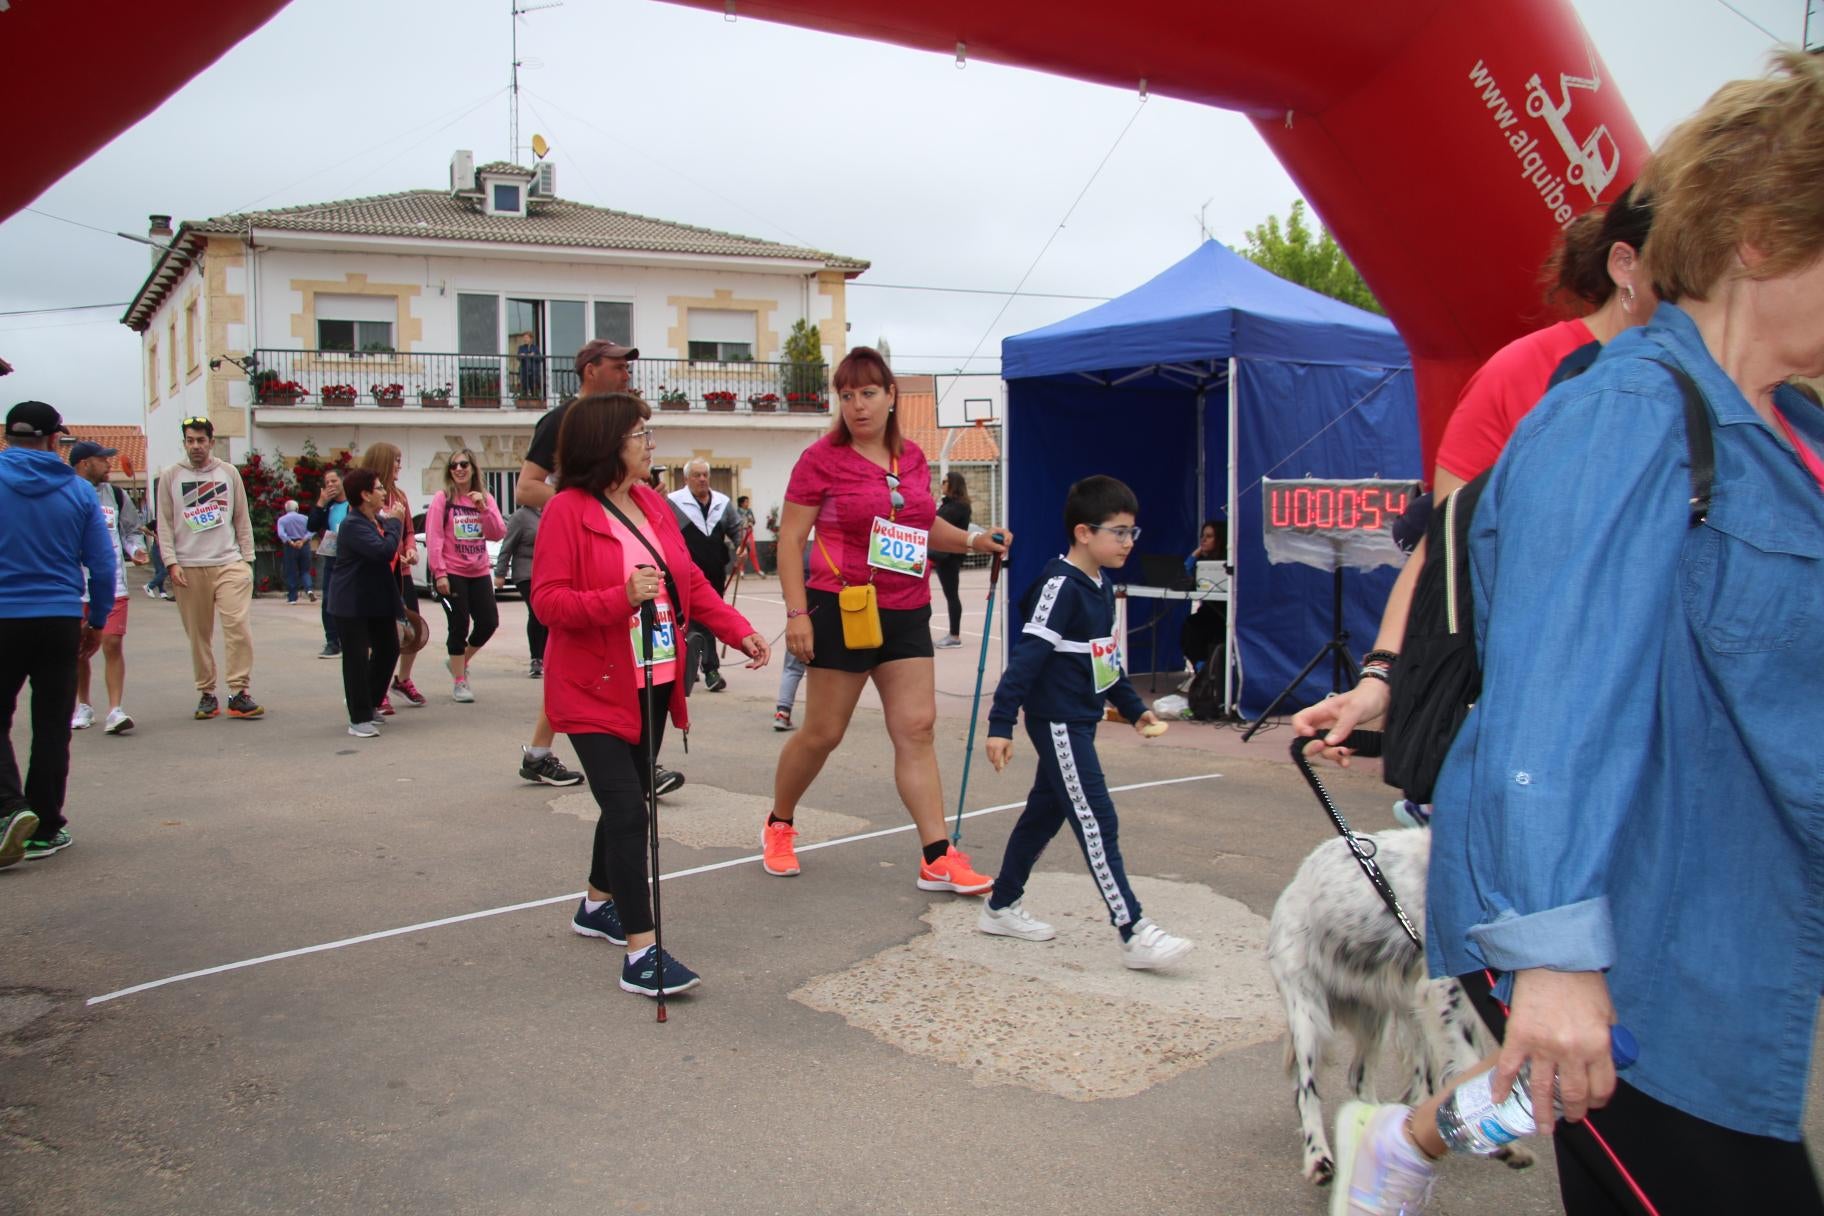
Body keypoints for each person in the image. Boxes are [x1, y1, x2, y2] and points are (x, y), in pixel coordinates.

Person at [1339, 53, 1824, 1215]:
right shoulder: (1626, 416)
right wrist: (1556, 962)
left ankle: (1399, 1137)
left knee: (1565, 1105)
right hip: (1639, 934)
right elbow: (1549, 707)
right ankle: (1398, 1141)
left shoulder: (1794, 424)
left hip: (1738, 921)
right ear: (1757, 234)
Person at [1294, 181, 1655, 766]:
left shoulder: (1747, 396)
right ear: (1624, 263)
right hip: (1533, 730)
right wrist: (1380, 678)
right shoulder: (1528, 372)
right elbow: (1445, 551)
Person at [534, 392, 769, 997]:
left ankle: (595, 905)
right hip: (593, 687)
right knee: (628, 810)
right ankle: (642, 952)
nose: (650, 443)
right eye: (641, 433)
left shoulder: (651, 504)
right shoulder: (567, 510)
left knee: (628, 797)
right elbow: (548, 601)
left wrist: (737, 631)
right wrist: (620, 598)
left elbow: (687, 577)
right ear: (608, 442)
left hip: (657, 678)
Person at [765, 346, 1012, 884]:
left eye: (869, 393)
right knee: (823, 733)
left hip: (904, 610)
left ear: (892, 396)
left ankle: (936, 855)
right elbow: (789, 539)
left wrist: (975, 537)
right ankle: (779, 823)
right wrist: (797, 613)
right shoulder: (821, 459)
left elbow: (921, 527)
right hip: (840, 607)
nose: (858, 406)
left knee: (917, 729)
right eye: (847, 395)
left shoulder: (915, 459)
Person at [979, 475, 1190, 968]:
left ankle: (1001, 904)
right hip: (1058, 722)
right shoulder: (1060, 586)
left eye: (1132, 532)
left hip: (1081, 718)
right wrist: (1000, 723)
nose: (1128, 542)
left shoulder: (1101, 586)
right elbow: (1026, 659)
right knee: (1097, 819)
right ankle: (1133, 930)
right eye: (1118, 532)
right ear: (1083, 532)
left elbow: (1104, 664)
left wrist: (1136, 710)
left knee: (1043, 814)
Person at [509, 338, 644, 789]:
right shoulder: (562, 420)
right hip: (579, 550)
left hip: (614, 545)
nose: (626, 373)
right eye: (618, 366)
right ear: (590, 370)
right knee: (582, 655)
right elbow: (526, 488)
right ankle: (627, 756)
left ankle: (543, 752)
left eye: (628, 367)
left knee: (612, 651)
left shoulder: (620, 420)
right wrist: (586, 505)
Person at [0, 401, 115, 864]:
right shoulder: (79, 491)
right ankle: (45, 825)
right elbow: (103, 565)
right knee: (51, 724)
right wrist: (99, 620)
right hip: (59, 618)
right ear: (54, 440)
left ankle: (9, 807)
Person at [157, 415, 262, 720]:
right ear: (185, 443)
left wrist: (247, 560)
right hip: (189, 566)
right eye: (190, 440)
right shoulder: (171, 476)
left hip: (229, 562)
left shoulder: (228, 473)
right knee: (199, 634)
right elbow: (164, 523)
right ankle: (206, 693)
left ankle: (239, 691)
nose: (196, 446)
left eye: (201, 440)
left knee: (238, 628)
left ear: (211, 442)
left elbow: (241, 517)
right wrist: (170, 562)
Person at [69, 440, 147, 735]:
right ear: (85, 463)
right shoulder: (66, 494)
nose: (109, 465)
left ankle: (115, 710)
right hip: (76, 586)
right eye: (103, 460)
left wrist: (135, 549)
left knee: (112, 644)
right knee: (79, 649)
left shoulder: (116, 495)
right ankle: (84, 705)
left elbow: (130, 530)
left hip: (113, 584)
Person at [327, 468, 405, 738]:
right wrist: (396, 524)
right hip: (351, 602)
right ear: (365, 494)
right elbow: (382, 551)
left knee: (389, 648)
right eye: (379, 488)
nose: (384, 492)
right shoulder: (353, 524)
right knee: (356, 658)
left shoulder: (375, 521)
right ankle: (358, 718)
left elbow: (386, 549)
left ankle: (370, 703)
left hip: (376, 600)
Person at [424, 447, 505, 703]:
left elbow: (497, 532)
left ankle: (459, 661)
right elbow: (434, 537)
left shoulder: (485, 499)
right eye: (454, 465)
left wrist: (483, 508)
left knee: (489, 622)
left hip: (479, 570)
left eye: (464, 464)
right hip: (453, 571)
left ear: (472, 468)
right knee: (458, 625)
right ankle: (460, 681)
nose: (459, 469)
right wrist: (440, 573)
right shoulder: (443, 499)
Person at [356, 442, 421, 714]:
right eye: (395, 460)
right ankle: (378, 688)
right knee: (382, 636)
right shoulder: (367, 498)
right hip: (379, 575)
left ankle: (402, 679)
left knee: (413, 629)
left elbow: (408, 531)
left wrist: (411, 548)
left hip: (402, 574)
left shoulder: (401, 496)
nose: (399, 465)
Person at [668, 458, 738, 694]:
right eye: (696, 475)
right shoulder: (675, 503)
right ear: (685, 479)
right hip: (685, 575)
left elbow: (736, 527)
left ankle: (693, 664)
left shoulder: (721, 502)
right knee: (696, 621)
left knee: (705, 620)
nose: (702, 479)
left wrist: (741, 546)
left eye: (705, 475)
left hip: (715, 572)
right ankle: (710, 670)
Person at [495, 501, 544, 677]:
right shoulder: (520, 517)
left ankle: (546, 656)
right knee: (537, 612)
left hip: (546, 572)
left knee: (548, 614)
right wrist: (500, 573)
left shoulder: (549, 512)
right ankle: (536, 658)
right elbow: (507, 545)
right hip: (526, 573)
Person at [307, 469, 348, 659]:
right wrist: (321, 503)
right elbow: (312, 526)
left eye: (334, 481)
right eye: (327, 482)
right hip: (333, 557)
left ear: (343, 481)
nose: (330, 485)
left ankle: (350, 639)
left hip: (352, 558)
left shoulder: (354, 503)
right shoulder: (328, 506)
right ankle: (332, 641)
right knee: (328, 600)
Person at [1178, 518, 1226, 674]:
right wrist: (1195, 554)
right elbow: (1182, 574)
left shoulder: (1227, 561)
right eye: (1202, 536)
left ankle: (1209, 672)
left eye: (1209, 536)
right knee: (1189, 629)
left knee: (1210, 634)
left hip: (1223, 614)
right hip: (1207, 612)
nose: (1204, 540)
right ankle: (1201, 670)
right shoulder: (1202, 560)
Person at [932, 470, 970, 648]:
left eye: (945, 482)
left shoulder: (958, 506)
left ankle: (954, 636)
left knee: (952, 595)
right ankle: (953, 635)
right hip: (943, 555)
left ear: (953, 484)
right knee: (950, 595)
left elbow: (936, 521)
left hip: (950, 557)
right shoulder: (949, 504)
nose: (942, 484)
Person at [276, 498, 314, 603]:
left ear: (286, 509)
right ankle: (309, 589)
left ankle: (293, 598)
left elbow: (281, 533)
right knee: (305, 570)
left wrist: (290, 541)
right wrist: (302, 541)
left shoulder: (282, 520)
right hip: (304, 545)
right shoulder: (305, 518)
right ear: (297, 508)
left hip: (290, 546)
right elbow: (311, 531)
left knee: (291, 571)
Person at [143, 511, 172, 600]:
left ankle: (162, 591)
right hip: (158, 547)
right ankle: (149, 586)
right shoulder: (157, 522)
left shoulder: (170, 522)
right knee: (165, 570)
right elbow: (143, 528)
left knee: (160, 571)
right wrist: (155, 536)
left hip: (166, 546)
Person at [736, 493, 762, 576]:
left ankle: (758, 570)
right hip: (741, 533)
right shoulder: (737, 512)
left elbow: (753, 521)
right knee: (742, 552)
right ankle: (741, 571)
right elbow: (737, 523)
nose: (747, 503)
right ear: (741, 503)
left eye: (748, 501)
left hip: (749, 533)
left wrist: (751, 523)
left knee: (753, 552)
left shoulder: (749, 511)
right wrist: (745, 524)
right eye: (746, 502)